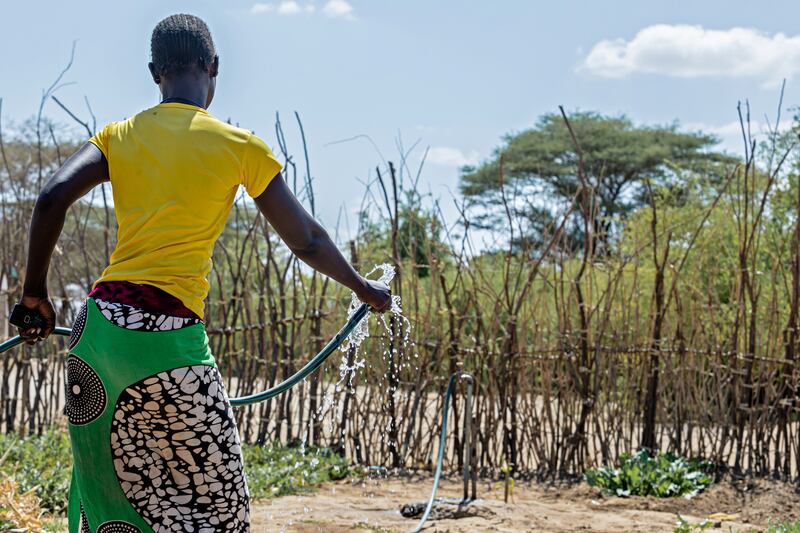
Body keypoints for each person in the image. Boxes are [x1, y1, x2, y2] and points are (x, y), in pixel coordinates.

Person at [14, 13, 391, 533]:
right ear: (214, 67)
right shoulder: (240, 147)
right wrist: (363, 287)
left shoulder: (119, 136)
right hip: (166, 341)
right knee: (221, 510)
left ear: (154, 73)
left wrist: (34, 295)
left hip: (97, 333)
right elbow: (306, 239)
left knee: (113, 495)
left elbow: (52, 196)